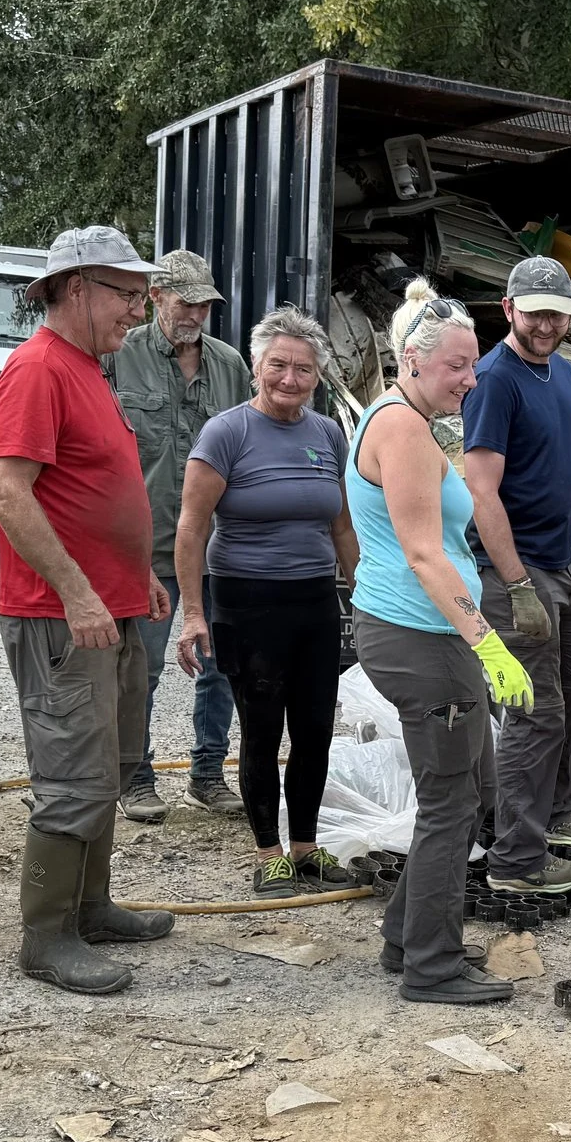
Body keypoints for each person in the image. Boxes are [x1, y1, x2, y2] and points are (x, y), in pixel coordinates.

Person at [0, 226, 175, 995]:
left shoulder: (89, 368)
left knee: (106, 767)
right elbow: (8, 493)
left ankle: (90, 906)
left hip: (110, 609)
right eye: (126, 294)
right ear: (74, 287)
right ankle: (47, 937)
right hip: (62, 619)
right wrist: (76, 590)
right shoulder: (37, 370)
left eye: (139, 295)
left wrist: (136, 579)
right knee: (71, 774)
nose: (137, 309)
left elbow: (97, 493)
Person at [350, 280, 539, 1004]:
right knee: (451, 801)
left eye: (474, 363)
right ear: (412, 359)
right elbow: (425, 554)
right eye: (459, 366)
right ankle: (432, 964)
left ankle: (408, 937)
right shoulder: (399, 427)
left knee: (473, 787)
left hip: (433, 635)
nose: (471, 377)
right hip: (419, 637)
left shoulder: (415, 422)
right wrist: (488, 643)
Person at [172, 308, 362, 898]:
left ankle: (305, 846)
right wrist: (194, 612)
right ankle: (267, 852)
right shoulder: (226, 433)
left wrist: (364, 591)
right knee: (260, 727)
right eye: (278, 364)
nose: (290, 378)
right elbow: (190, 528)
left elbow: (342, 527)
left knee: (314, 729)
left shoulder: (328, 433)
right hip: (245, 599)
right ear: (257, 366)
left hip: (312, 599)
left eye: (303, 368)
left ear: (318, 376)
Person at [465, 254, 571, 894]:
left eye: (556, 315)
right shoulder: (494, 380)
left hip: (565, 565)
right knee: (535, 712)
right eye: (534, 314)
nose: (545, 326)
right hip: (518, 570)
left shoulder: (559, 374)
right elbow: (482, 490)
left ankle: (554, 815)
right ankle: (516, 858)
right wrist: (517, 584)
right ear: (508, 310)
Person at [106, 249, 248, 823]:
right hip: (150, 548)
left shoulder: (231, 365)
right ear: (156, 297)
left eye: (205, 303)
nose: (196, 313)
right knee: (144, 666)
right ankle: (135, 776)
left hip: (219, 550)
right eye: (185, 301)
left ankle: (208, 773)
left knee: (222, 667)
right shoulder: (121, 356)